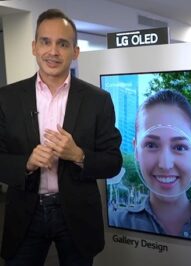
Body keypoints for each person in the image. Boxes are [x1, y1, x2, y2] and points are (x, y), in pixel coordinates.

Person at [0, 9, 122, 266]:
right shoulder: (7, 98)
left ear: (75, 52)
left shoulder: (98, 100)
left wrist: (78, 155)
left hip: (77, 216)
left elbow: (113, 162)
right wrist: (26, 163)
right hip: (25, 214)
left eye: (62, 44)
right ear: (34, 47)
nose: (53, 51)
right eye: (45, 42)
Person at [109, 89, 191, 244]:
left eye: (179, 147)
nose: (165, 165)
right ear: (136, 151)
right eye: (151, 145)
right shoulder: (116, 223)